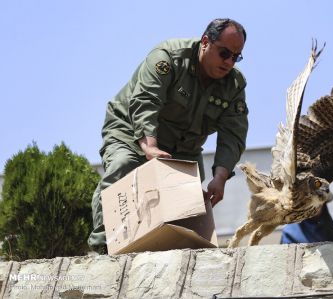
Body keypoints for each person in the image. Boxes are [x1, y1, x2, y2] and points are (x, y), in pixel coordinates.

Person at [88, 18, 249, 253]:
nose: (229, 62)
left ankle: (172, 254)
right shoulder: (168, 58)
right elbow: (146, 102)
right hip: (131, 131)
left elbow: (233, 133)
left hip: (182, 147)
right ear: (205, 42)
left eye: (236, 57)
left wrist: (221, 177)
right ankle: (103, 250)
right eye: (224, 53)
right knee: (124, 167)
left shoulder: (234, 85)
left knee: (189, 202)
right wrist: (150, 147)